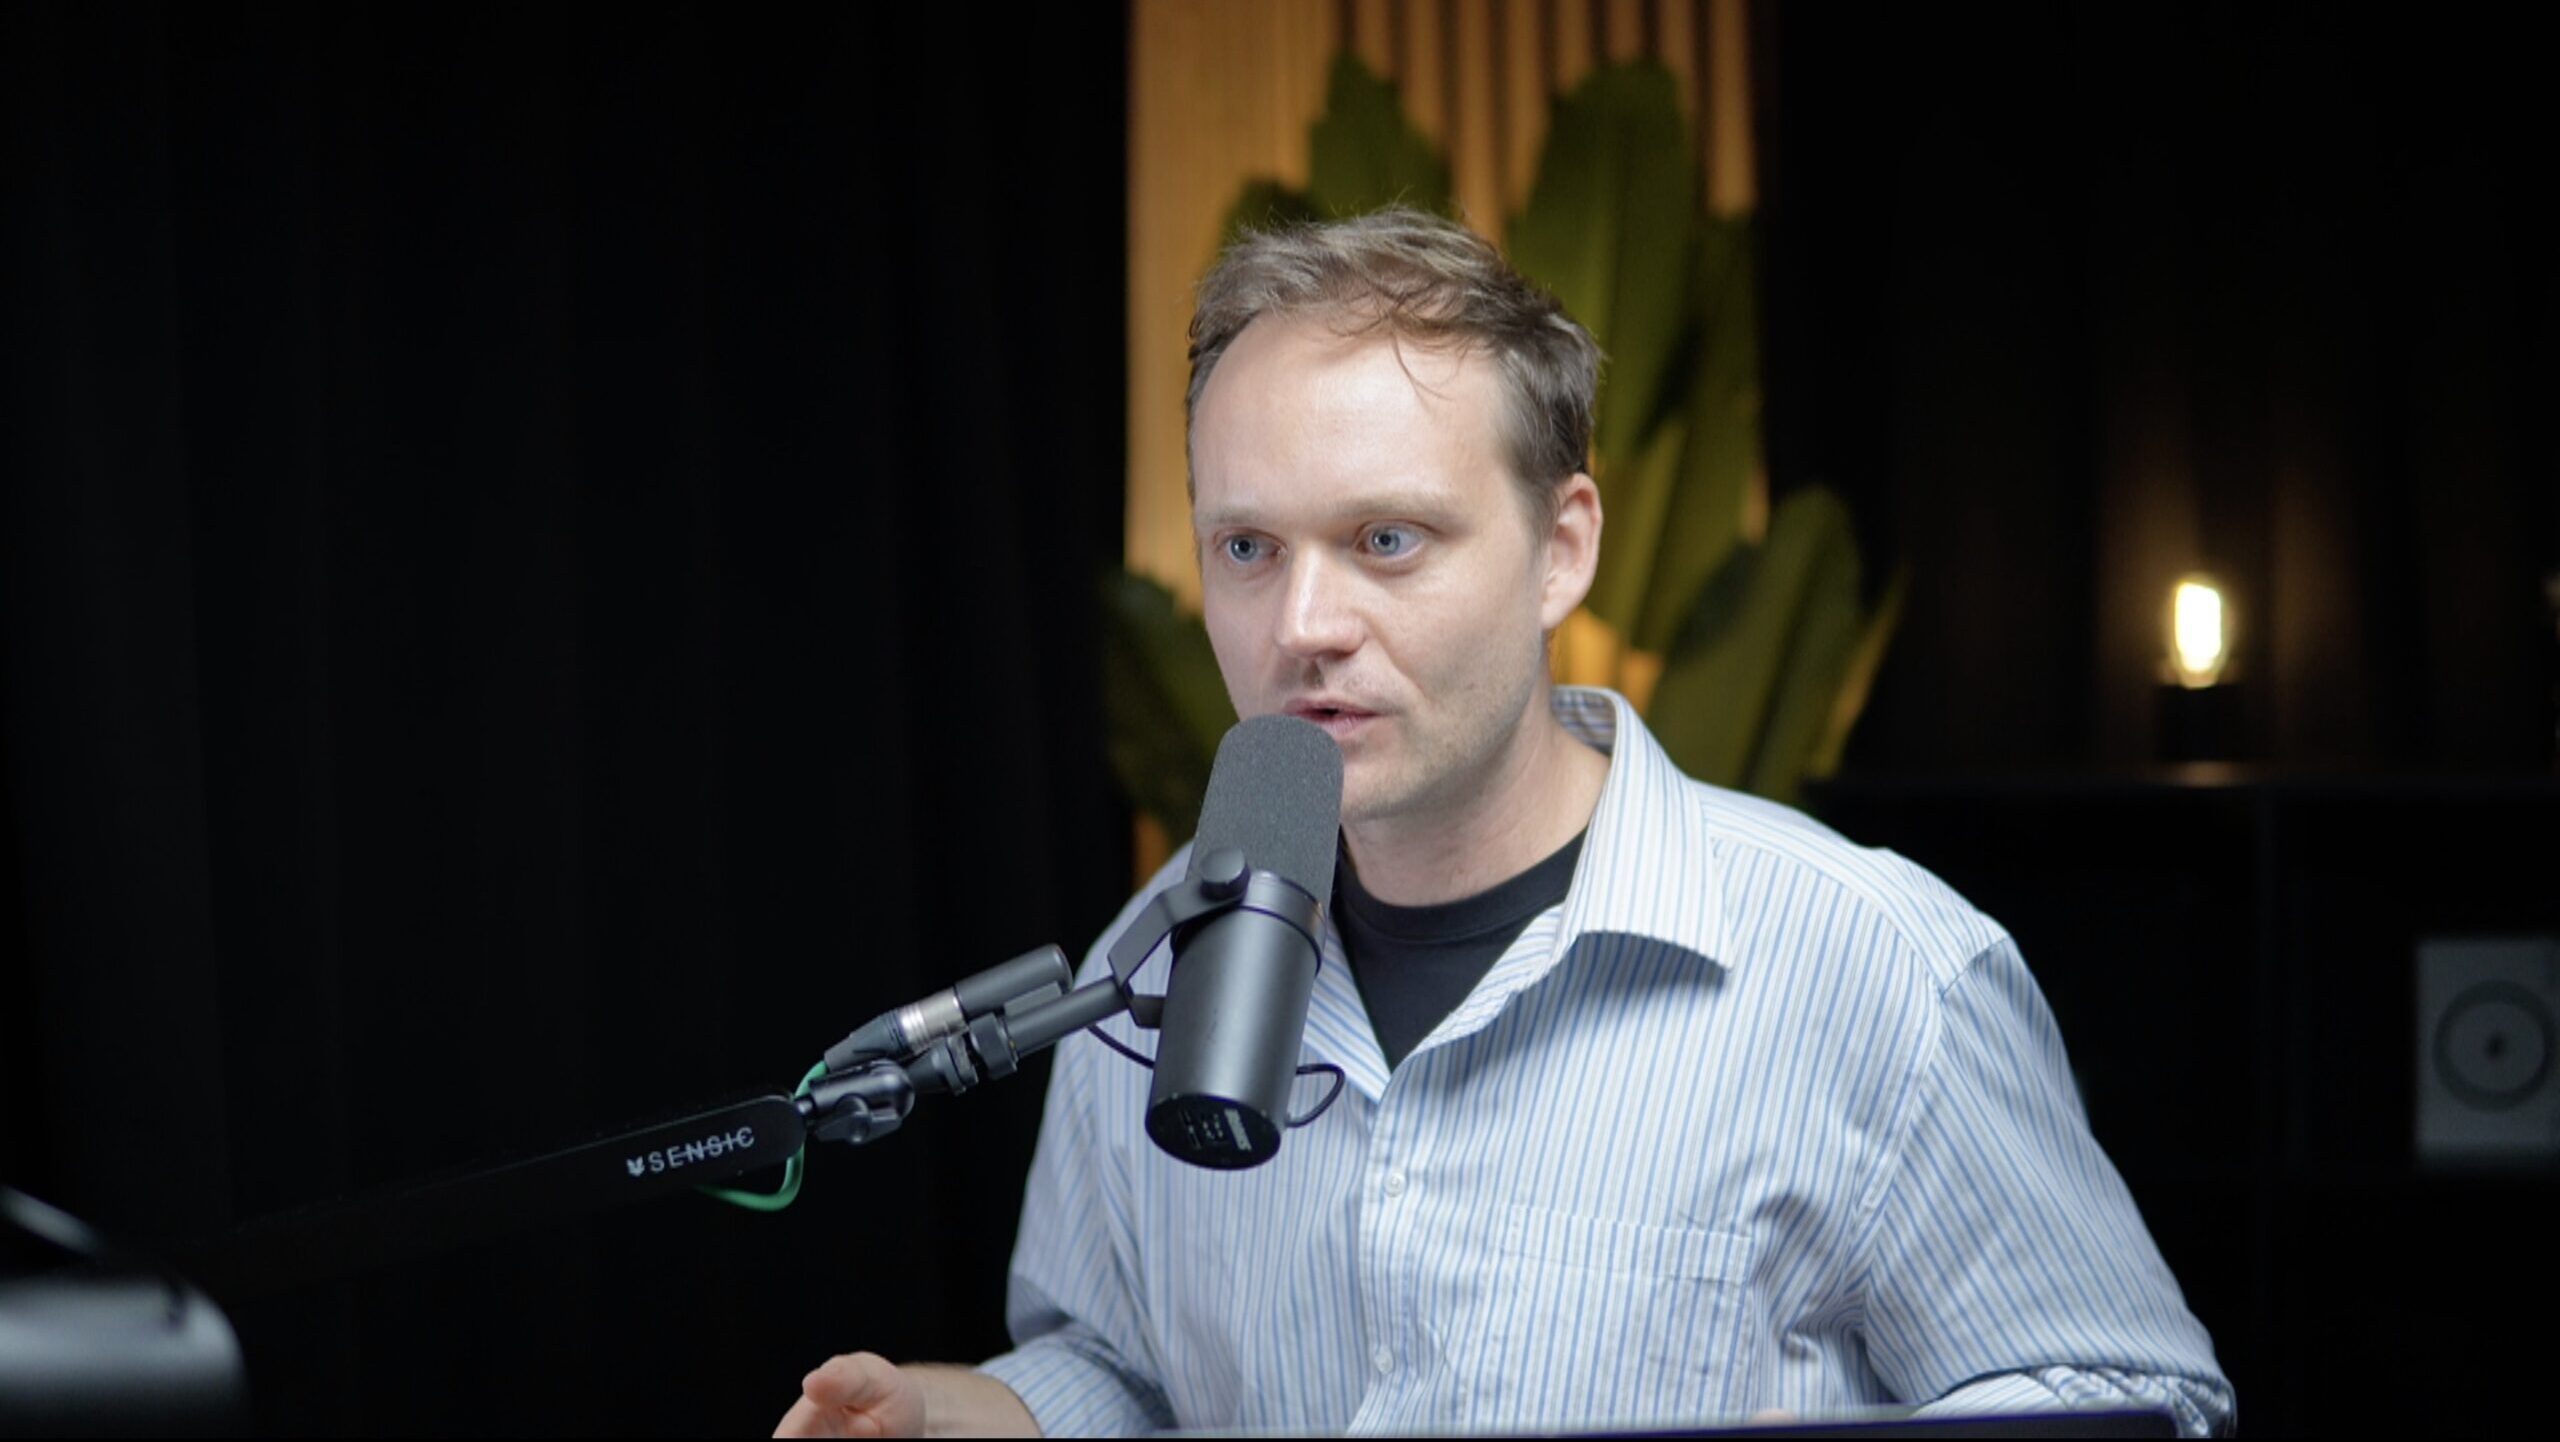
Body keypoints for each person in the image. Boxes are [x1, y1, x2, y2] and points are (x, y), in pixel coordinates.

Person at [777, 209, 2233, 1438]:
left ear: (1562, 547)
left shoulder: (1878, 970)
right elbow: (1122, 1366)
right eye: (1248, 547)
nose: (1302, 623)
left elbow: (2136, 1403)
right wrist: (968, 1414)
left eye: (1386, 539)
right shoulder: (1145, 971)